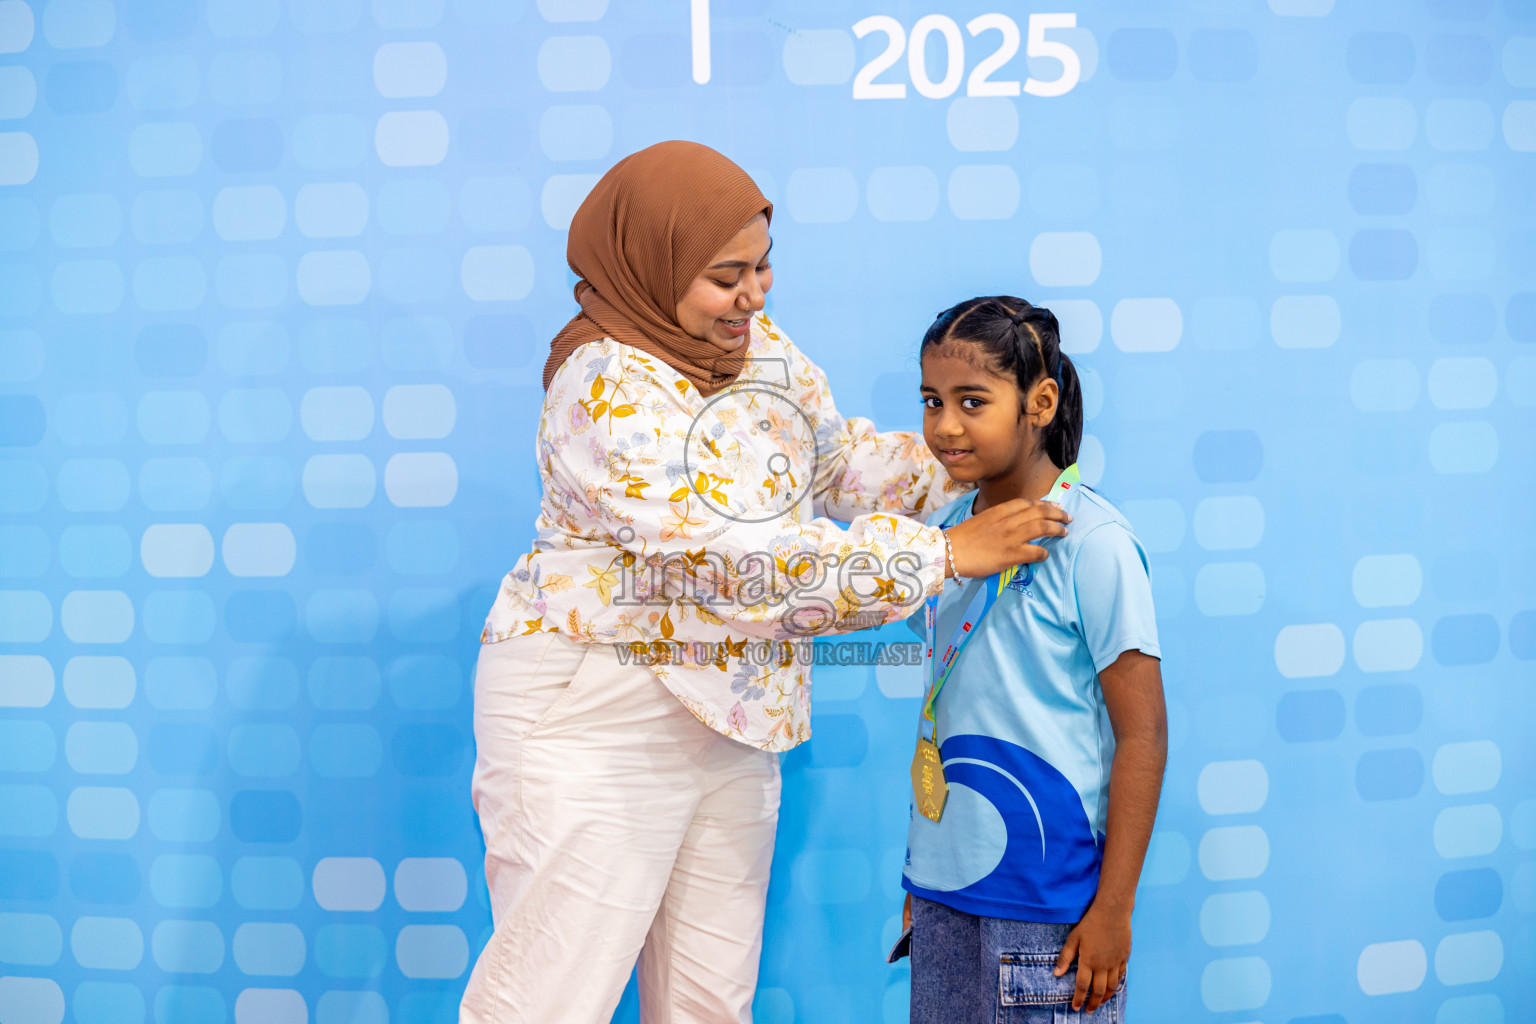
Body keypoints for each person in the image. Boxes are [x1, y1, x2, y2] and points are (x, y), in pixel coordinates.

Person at [459, 143, 1073, 1024]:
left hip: (732, 709)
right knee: (550, 999)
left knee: (711, 1002)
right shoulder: (604, 389)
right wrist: (944, 555)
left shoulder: (749, 347)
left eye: (762, 266)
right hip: (597, 708)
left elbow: (839, 462)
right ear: (651, 264)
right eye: (725, 275)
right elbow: (740, 564)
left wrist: (967, 453)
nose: (754, 294)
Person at [894, 297, 1168, 1022]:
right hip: (946, 899)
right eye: (931, 401)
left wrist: (1114, 907)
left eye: (972, 401)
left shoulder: (1096, 544)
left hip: (1052, 914)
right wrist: (924, 883)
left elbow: (1144, 735)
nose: (945, 426)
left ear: (1039, 402)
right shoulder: (949, 539)